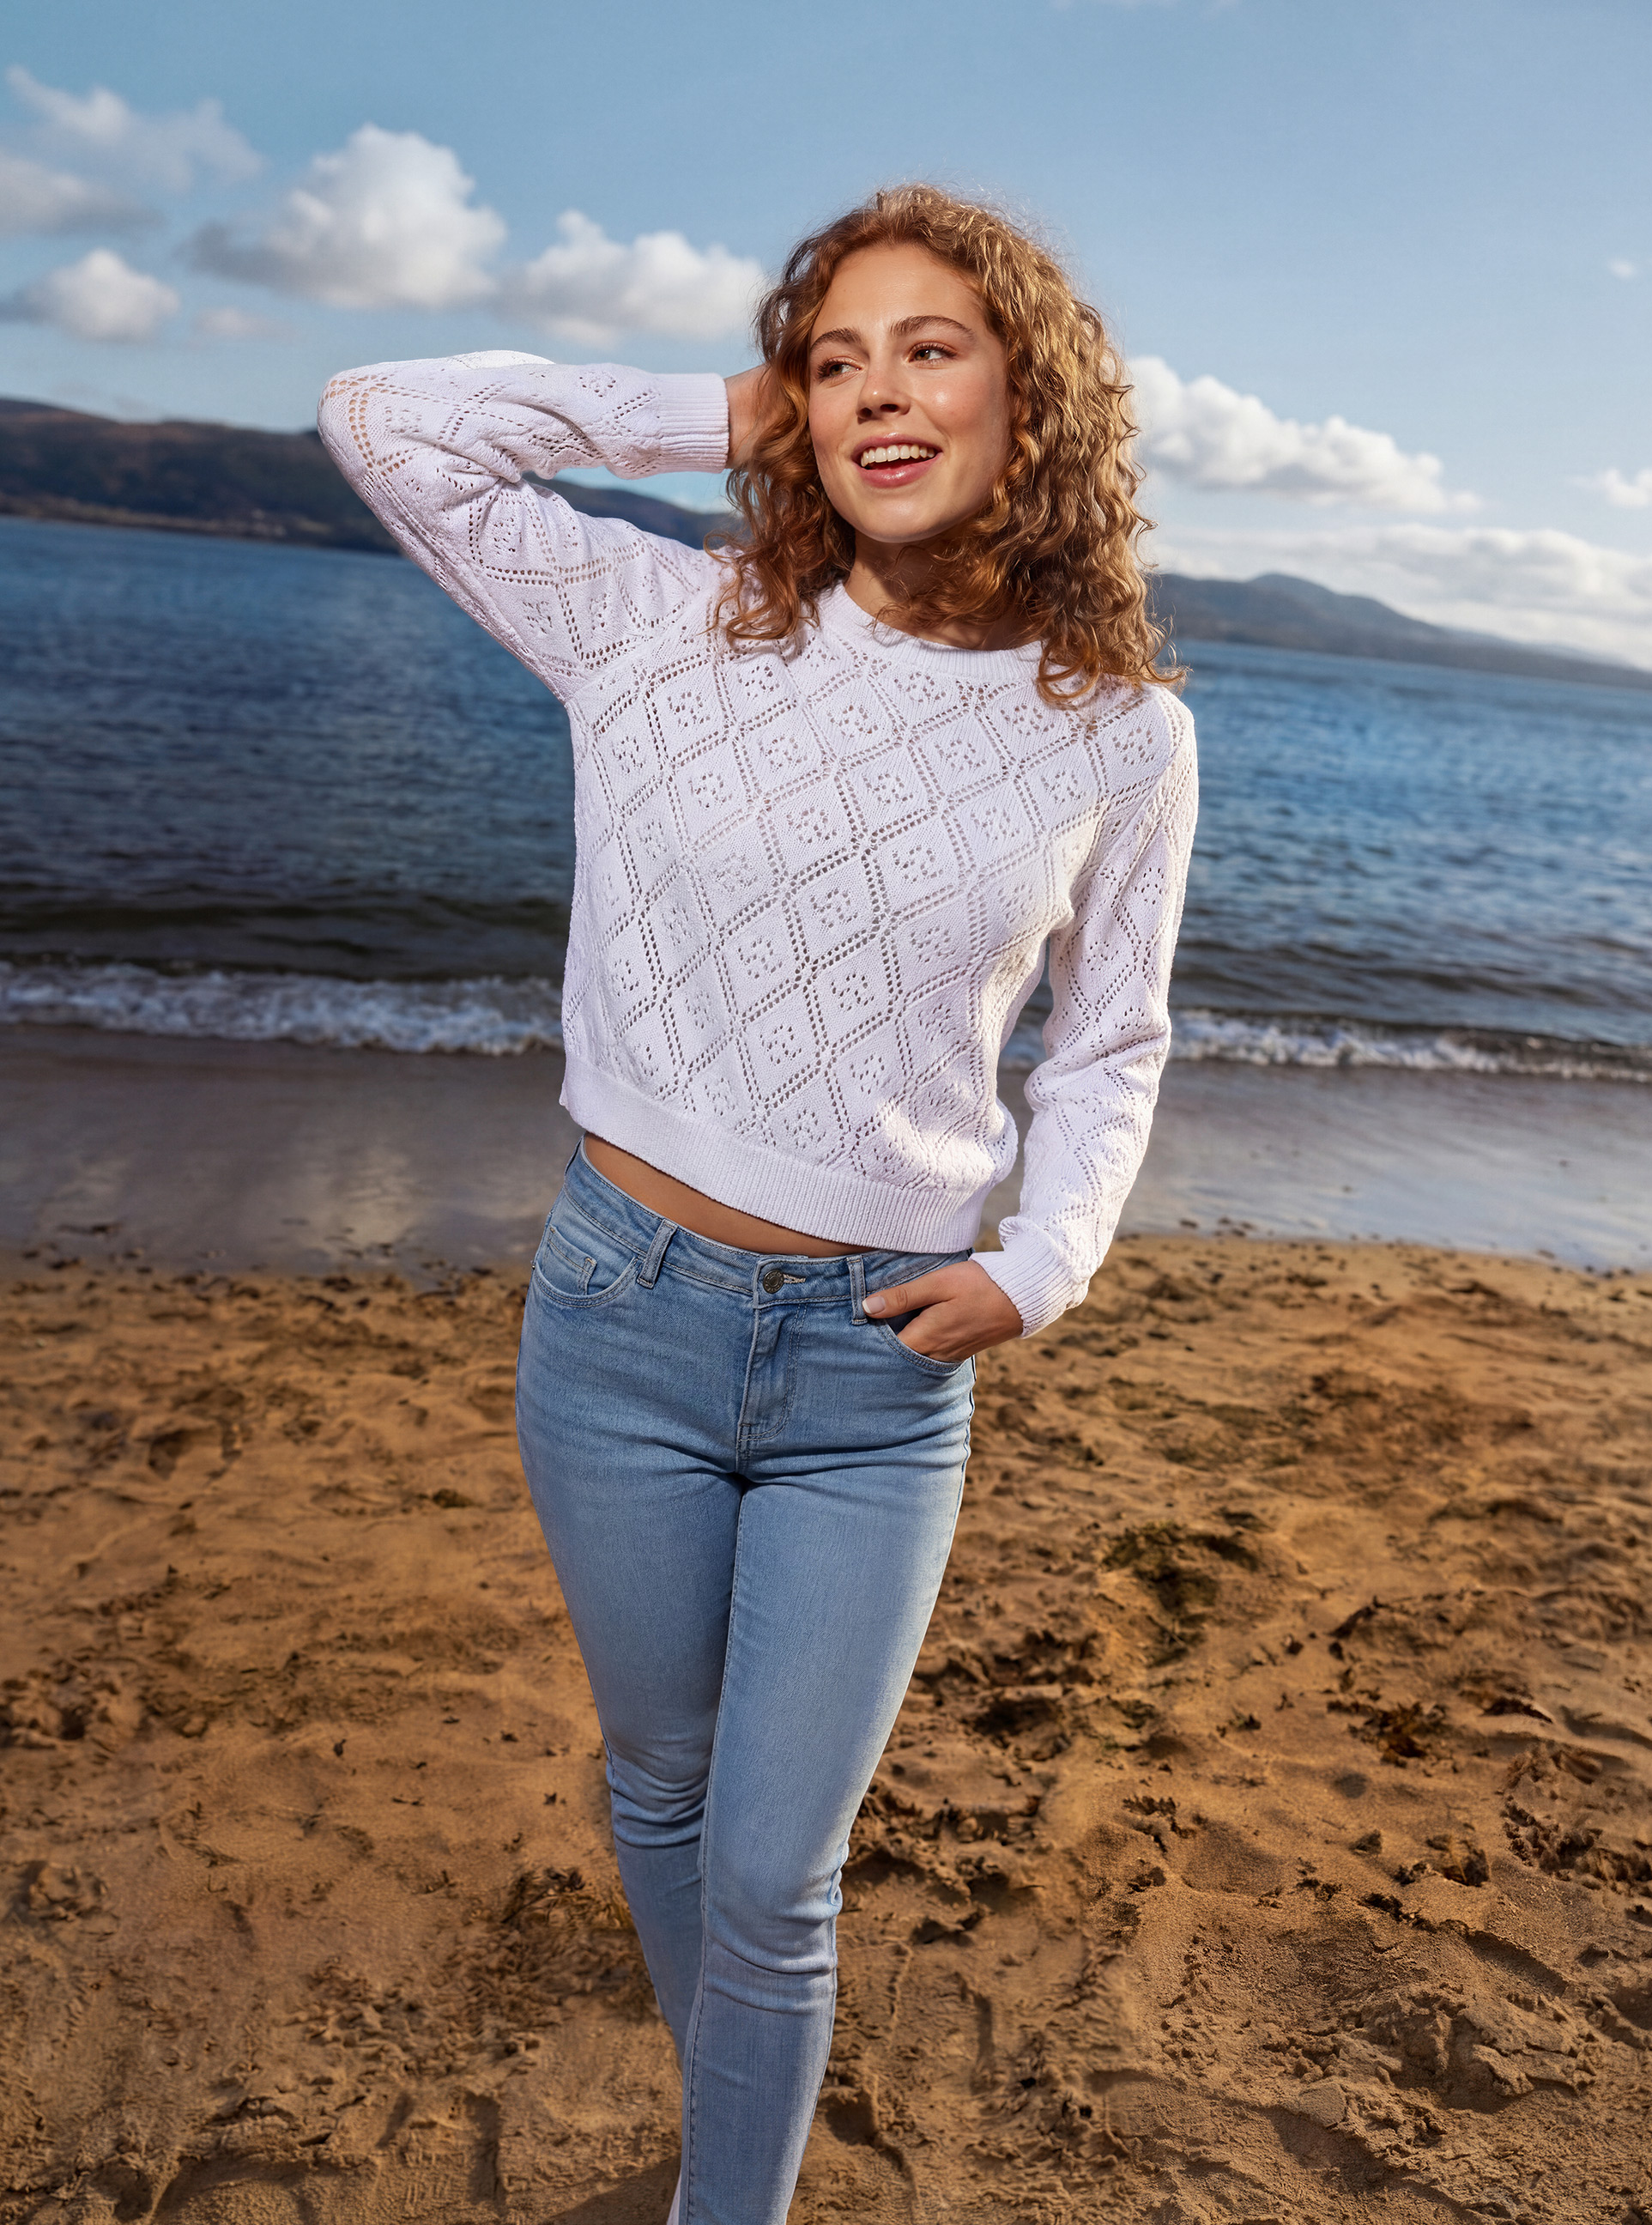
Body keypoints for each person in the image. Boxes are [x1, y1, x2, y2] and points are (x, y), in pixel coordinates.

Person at [318, 182, 1195, 2225]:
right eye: (836, 355)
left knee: (777, 1877)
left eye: (931, 347)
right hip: (618, 1316)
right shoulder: (660, 619)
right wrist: (718, 408)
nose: (880, 389)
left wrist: (1040, 1268)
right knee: (663, 1789)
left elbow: (1111, 1046)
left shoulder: (1121, 732)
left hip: (881, 1365)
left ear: (1030, 398)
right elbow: (379, 414)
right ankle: (735, 2087)